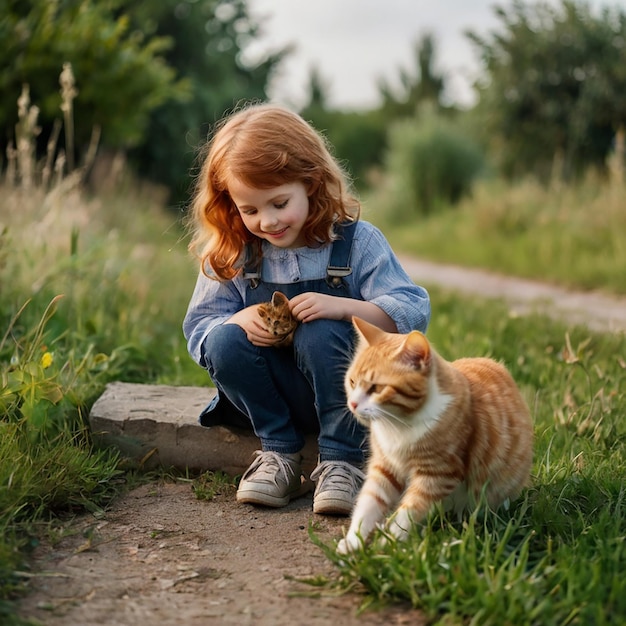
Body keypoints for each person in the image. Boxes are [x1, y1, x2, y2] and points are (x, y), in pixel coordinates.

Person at [183, 103, 430, 516]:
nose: (267, 221)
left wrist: (341, 306)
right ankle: (279, 456)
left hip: (348, 397)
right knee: (225, 338)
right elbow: (200, 330)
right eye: (250, 210)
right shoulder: (234, 251)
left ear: (311, 182)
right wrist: (236, 319)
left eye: (279, 203)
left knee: (320, 330)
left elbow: (410, 310)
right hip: (270, 398)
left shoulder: (356, 242)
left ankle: (343, 462)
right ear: (232, 204)